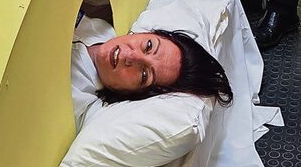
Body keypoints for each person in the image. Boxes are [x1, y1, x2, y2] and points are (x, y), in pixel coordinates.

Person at [71, 13, 233, 126]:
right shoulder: (103, 28)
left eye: (143, 74)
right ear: (147, 33)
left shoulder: (74, 96)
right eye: (148, 46)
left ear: (130, 93)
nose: (132, 57)